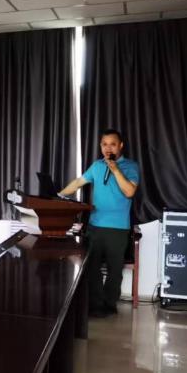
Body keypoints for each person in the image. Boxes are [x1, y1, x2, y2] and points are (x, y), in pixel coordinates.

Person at [58, 128, 140, 316]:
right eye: (104, 144)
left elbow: (129, 192)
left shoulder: (130, 166)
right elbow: (78, 182)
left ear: (120, 146)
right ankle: (95, 305)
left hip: (118, 228)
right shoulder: (96, 166)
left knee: (114, 270)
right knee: (91, 267)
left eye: (112, 144)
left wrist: (115, 169)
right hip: (95, 226)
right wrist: (58, 195)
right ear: (100, 146)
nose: (108, 148)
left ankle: (109, 305)